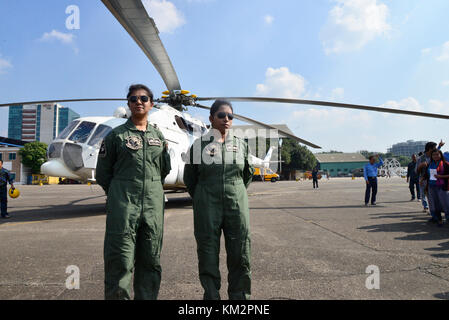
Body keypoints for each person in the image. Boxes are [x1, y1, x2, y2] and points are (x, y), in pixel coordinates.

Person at [96, 84, 171, 300]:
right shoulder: (116, 136)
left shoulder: (159, 136)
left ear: (151, 104)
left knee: (151, 260)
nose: (139, 101)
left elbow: (163, 169)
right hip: (123, 206)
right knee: (120, 260)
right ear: (128, 104)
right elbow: (103, 173)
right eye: (133, 99)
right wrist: (120, 193)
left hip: (153, 207)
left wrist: (151, 189)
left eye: (144, 98)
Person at [183, 99, 254, 300]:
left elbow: (247, 174)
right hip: (207, 204)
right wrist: (203, 195)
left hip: (236, 203)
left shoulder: (241, 145)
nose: (226, 119)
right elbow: (190, 178)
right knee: (207, 254)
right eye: (221, 115)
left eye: (230, 116)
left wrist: (235, 190)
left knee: (240, 252)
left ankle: (240, 298)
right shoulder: (199, 146)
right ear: (211, 118)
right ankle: (211, 296)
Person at [416, 140, 445, 213]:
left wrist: (440, 146)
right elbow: (416, 171)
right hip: (423, 179)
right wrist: (420, 166)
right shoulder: (421, 158)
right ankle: (427, 207)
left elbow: (438, 152)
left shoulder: (434, 156)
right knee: (424, 194)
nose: (435, 150)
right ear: (429, 149)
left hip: (434, 179)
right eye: (434, 148)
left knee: (433, 196)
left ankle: (435, 211)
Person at [425, 149, 449, 226]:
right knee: (435, 204)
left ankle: (448, 218)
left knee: (445, 204)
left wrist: (440, 176)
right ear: (431, 156)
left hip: (442, 187)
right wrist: (423, 180)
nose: (435, 156)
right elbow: (427, 175)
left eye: (437, 154)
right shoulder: (430, 164)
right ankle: (439, 219)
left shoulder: (445, 164)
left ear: (440, 155)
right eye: (433, 155)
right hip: (432, 186)